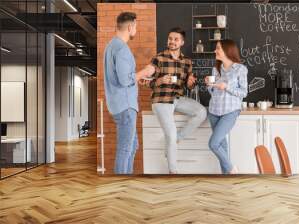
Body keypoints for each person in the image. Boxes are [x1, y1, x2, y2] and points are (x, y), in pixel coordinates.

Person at [141, 27, 207, 174]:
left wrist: (191, 82)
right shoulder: (159, 58)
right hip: (161, 99)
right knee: (169, 135)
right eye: (170, 38)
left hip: (178, 98)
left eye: (176, 39)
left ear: (182, 42)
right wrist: (160, 80)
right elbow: (146, 82)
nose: (172, 41)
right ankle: (173, 172)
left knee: (201, 112)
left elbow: (189, 85)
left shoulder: (187, 62)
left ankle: (177, 139)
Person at [103, 12, 154, 174]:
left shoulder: (111, 46)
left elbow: (120, 78)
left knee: (133, 146)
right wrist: (145, 72)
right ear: (130, 26)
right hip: (125, 106)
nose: (136, 30)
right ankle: (121, 187)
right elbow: (125, 80)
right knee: (125, 149)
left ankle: (127, 181)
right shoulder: (122, 49)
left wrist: (137, 79)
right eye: (136, 27)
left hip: (118, 104)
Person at [205, 39, 248, 174]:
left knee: (213, 144)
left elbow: (243, 92)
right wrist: (209, 85)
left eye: (218, 48)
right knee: (222, 145)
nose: (215, 51)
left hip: (230, 111)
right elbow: (213, 92)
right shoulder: (215, 69)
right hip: (214, 111)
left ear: (227, 50)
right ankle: (226, 178)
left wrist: (226, 87)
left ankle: (231, 169)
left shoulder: (240, 69)